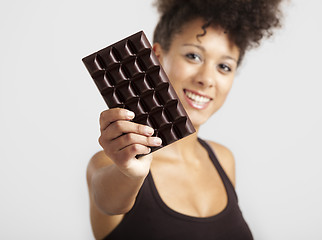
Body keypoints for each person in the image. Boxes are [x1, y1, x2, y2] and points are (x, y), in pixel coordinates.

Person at [86, 0, 283, 239]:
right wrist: (129, 173)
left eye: (224, 66)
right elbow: (108, 202)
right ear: (156, 56)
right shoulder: (111, 163)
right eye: (193, 56)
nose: (207, 79)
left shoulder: (223, 159)